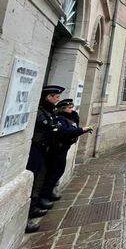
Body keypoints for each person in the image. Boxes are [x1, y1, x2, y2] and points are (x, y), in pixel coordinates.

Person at [25, 85, 64, 233]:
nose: (58, 99)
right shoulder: (40, 111)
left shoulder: (50, 111)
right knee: (32, 180)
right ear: (48, 97)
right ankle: (29, 212)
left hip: (45, 149)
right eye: (56, 96)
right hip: (36, 149)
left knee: (39, 178)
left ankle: (35, 205)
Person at [40, 99, 92, 207]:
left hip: (63, 148)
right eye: (69, 108)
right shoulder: (60, 118)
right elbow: (64, 132)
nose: (71, 109)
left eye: (72, 107)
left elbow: (72, 129)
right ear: (63, 108)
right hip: (57, 149)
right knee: (53, 172)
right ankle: (43, 196)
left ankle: (49, 193)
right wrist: (82, 130)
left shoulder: (69, 118)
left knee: (57, 171)